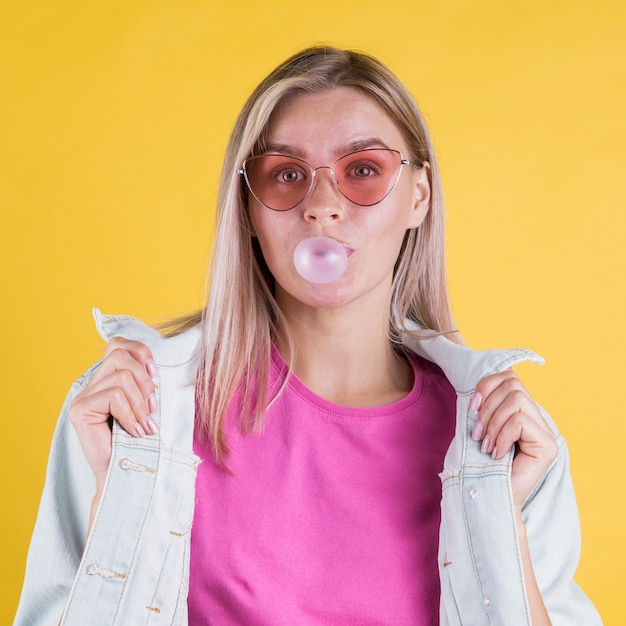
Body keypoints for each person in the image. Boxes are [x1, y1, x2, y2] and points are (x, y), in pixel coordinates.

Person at [15, 47, 601, 625]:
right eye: (286, 175)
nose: (322, 206)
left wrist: (505, 520)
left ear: (418, 195)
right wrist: (116, 499)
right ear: (248, 206)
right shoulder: (135, 407)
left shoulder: (501, 434)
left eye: (363, 171)